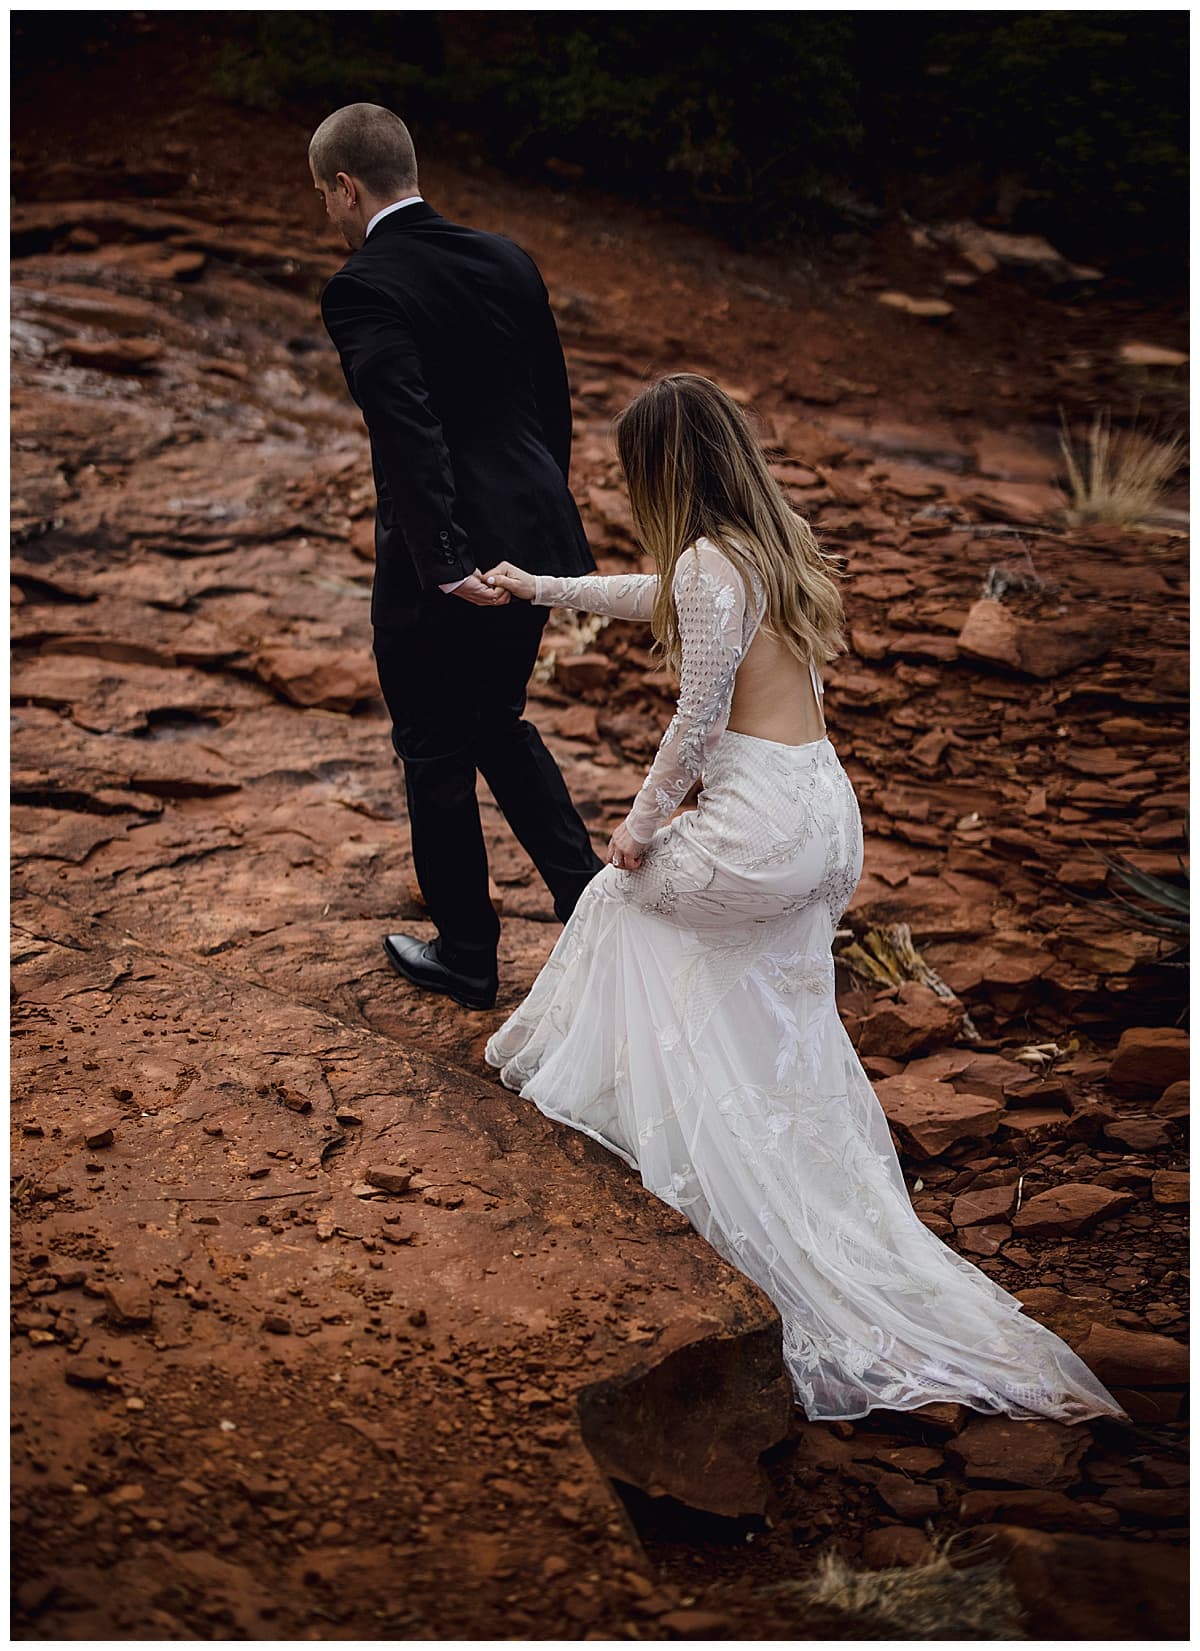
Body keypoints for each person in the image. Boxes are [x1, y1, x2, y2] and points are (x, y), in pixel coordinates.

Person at [481, 373, 1126, 1425]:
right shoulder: (760, 546)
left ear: (663, 469)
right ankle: (764, 1146)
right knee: (764, 1002)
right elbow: (650, 597)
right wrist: (535, 585)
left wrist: (640, 829)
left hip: (761, 830)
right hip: (825, 815)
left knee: (615, 904)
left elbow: (694, 721)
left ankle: (646, 1131)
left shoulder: (704, 561)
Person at [311, 103, 604, 1012]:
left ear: (347, 186)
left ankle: (468, 956)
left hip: (443, 562)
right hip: (533, 539)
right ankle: (595, 914)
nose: (327, 211)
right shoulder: (506, 257)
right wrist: (532, 531)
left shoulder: (363, 283)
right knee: (495, 722)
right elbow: (548, 407)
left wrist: (443, 559)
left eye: (324, 195)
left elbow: (408, 429)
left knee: (434, 746)